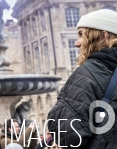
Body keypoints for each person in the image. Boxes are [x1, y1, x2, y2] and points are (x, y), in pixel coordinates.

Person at [47, 8, 117, 148]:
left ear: (104, 36)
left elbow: (69, 135)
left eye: (81, 35)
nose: (77, 43)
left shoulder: (88, 74)